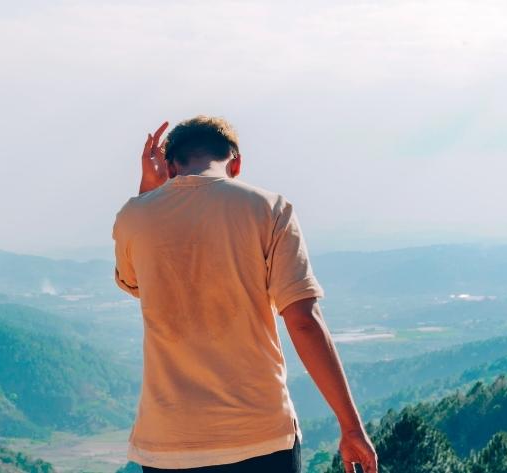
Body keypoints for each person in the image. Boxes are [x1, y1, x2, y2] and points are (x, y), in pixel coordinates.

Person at [112, 116, 377, 473]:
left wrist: (149, 192)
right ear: (236, 164)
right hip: (261, 437)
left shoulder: (134, 216)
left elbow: (135, 283)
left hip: (168, 443)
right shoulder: (270, 209)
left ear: (171, 167)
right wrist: (351, 427)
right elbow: (303, 321)